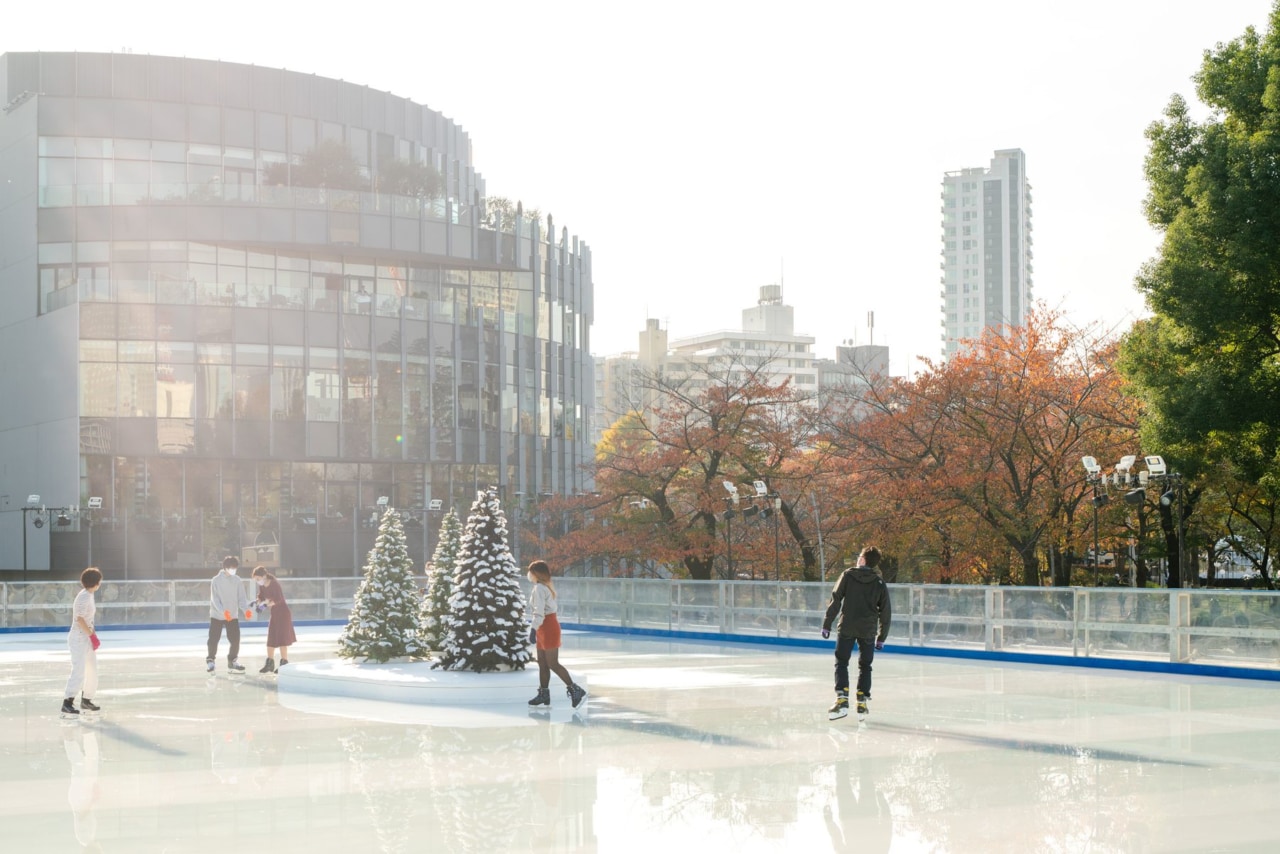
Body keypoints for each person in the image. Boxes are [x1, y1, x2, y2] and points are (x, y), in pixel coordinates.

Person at [821, 546, 892, 720]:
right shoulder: (879, 583)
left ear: (862, 560)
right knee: (865, 665)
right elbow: (886, 612)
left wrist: (827, 623)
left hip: (847, 627)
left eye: (859, 556)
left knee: (842, 662)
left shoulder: (848, 575)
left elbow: (836, 599)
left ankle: (842, 698)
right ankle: (861, 700)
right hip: (868, 630)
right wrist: (882, 637)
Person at [525, 560, 587, 708]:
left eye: (530, 571)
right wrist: (536, 629)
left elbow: (539, 612)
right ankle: (544, 694)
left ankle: (575, 690)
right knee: (542, 663)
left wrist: (533, 629)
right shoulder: (542, 587)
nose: (528, 575)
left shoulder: (540, 588)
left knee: (552, 663)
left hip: (547, 627)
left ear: (536, 573)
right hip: (543, 626)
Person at [62, 567, 103, 716]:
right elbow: (79, 619)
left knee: (92, 670)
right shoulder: (84, 596)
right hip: (78, 639)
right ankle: (67, 702)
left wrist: (93, 636)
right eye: (99, 581)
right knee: (79, 670)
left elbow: (88, 620)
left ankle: (86, 700)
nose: (100, 583)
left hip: (86, 638)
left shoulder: (90, 595)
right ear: (95, 582)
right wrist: (91, 636)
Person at [207, 556, 252, 673]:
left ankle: (232, 661)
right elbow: (214, 599)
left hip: (232, 615)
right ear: (225, 567)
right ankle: (211, 661)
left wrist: (245, 610)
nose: (234, 570)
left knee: (235, 639)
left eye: (235, 568)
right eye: (232, 568)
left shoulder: (237, 580)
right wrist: (223, 612)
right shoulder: (216, 580)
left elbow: (241, 598)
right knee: (213, 639)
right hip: (217, 615)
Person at [251, 566, 297, 673]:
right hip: (275, 613)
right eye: (256, 580)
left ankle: (284, 663)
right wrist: (258, 602)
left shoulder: (274, 584)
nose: (258, 581)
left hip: (283, 613)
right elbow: (261, 596)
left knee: (282, 639)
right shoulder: (262, 586)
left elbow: (278, 600)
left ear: (264, 576)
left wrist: (264, 605)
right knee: (271, 637)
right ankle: (269, 664)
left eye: (258, 579)